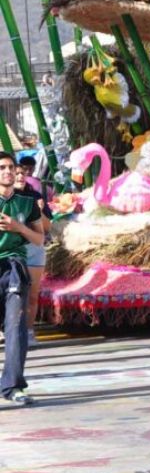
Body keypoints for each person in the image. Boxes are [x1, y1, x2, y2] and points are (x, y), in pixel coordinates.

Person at [0, 152, 44, 406]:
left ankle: (13, 386)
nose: (7, 171)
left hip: (14, 267)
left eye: (10, 167)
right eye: (2, 167)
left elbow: (39, 239)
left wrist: (19, 228)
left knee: (16, 327)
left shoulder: (26, 203)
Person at [14, 160, 48, 346]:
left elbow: (47, 227)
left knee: (32, 295)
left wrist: (39, 211)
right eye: (13, 171)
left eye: (21, 172)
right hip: (9, 250)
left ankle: (28, 331)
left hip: (34, 249)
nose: (19, 175)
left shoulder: (34, 195)